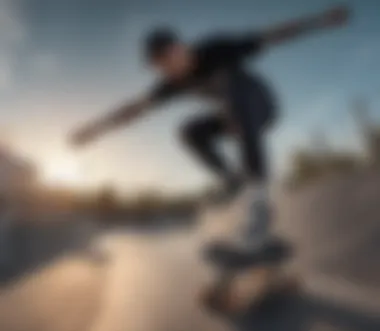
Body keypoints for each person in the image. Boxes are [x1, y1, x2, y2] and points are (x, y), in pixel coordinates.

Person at [70, 5, 350, 252]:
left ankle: (260, 205)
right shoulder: (172, 84)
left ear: (178, 48)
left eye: (166, 62)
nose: (166, 72)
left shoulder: (217, 48)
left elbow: (271, 35)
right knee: (188, 131)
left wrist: (319, 21)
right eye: (158, 68)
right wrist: (94, 130)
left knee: (234, 90)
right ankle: (233, 180)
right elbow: (134, 109)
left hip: (260, 105)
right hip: (232, 119)